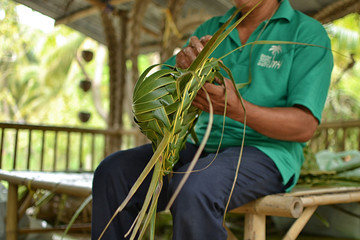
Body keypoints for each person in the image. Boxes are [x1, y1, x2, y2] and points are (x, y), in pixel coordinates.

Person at [91, 0, 333, 239]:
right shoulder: (212, 29)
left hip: (268, 152)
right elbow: (164, 93)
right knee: (113, 172)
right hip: (200, 148)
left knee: (195, 186)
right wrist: (179, 71)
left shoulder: (306, 33)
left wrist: (237, 109)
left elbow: (304, 126)